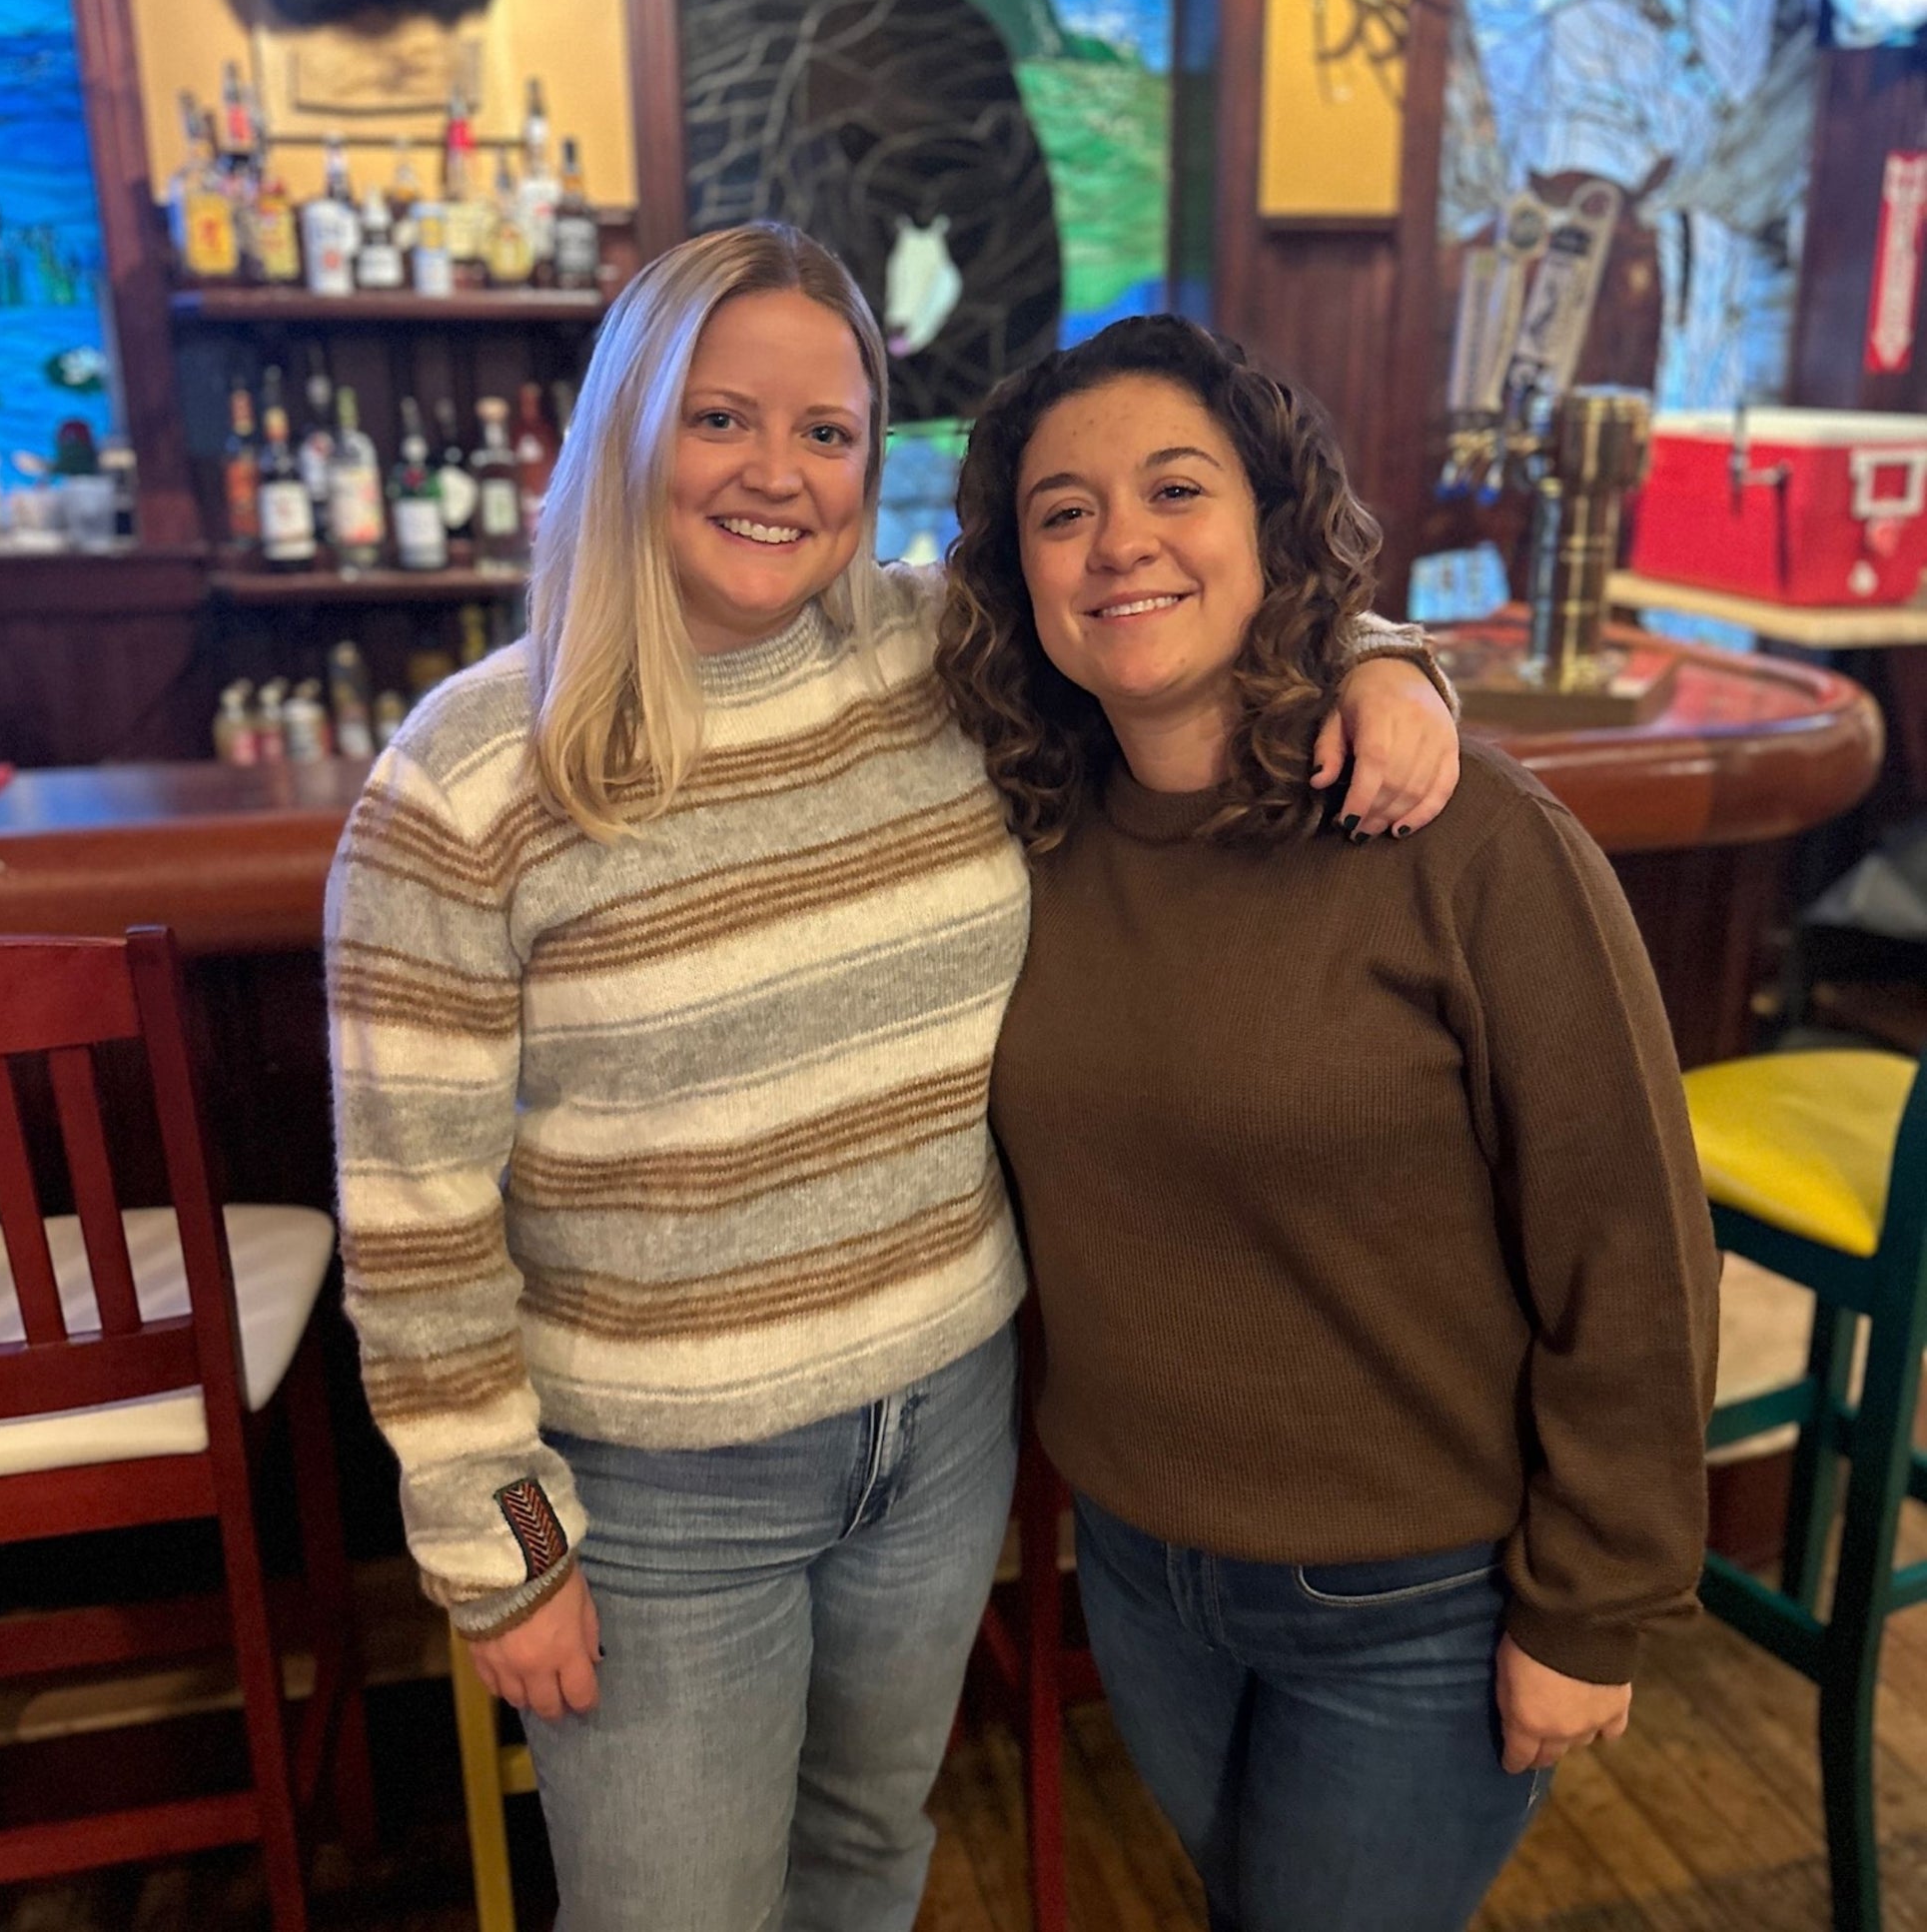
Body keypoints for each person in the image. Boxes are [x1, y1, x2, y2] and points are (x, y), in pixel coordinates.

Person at [325, 226, 1460, 1932]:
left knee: (865, 1856)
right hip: (656, 1478)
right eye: (721, 418)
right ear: (629, 423)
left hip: (942, 1418)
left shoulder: (946, 656)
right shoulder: (467, 780)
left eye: (829, 431)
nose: (777, 473)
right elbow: (415, 1228)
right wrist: (505, 1548)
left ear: (874, 455)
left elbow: (1174, 608)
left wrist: (1379, 654)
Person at [937, 313, 1721, 1932]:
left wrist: (1593, 1604)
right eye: (1061, 511)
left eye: (1176, 488)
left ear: (1272, 526)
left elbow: (1627, 1242)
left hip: (1417, 1594)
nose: (1120, 542)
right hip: (1143, 1569)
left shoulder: (1459, 835)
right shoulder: (1025, 825)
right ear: (1016, 572)